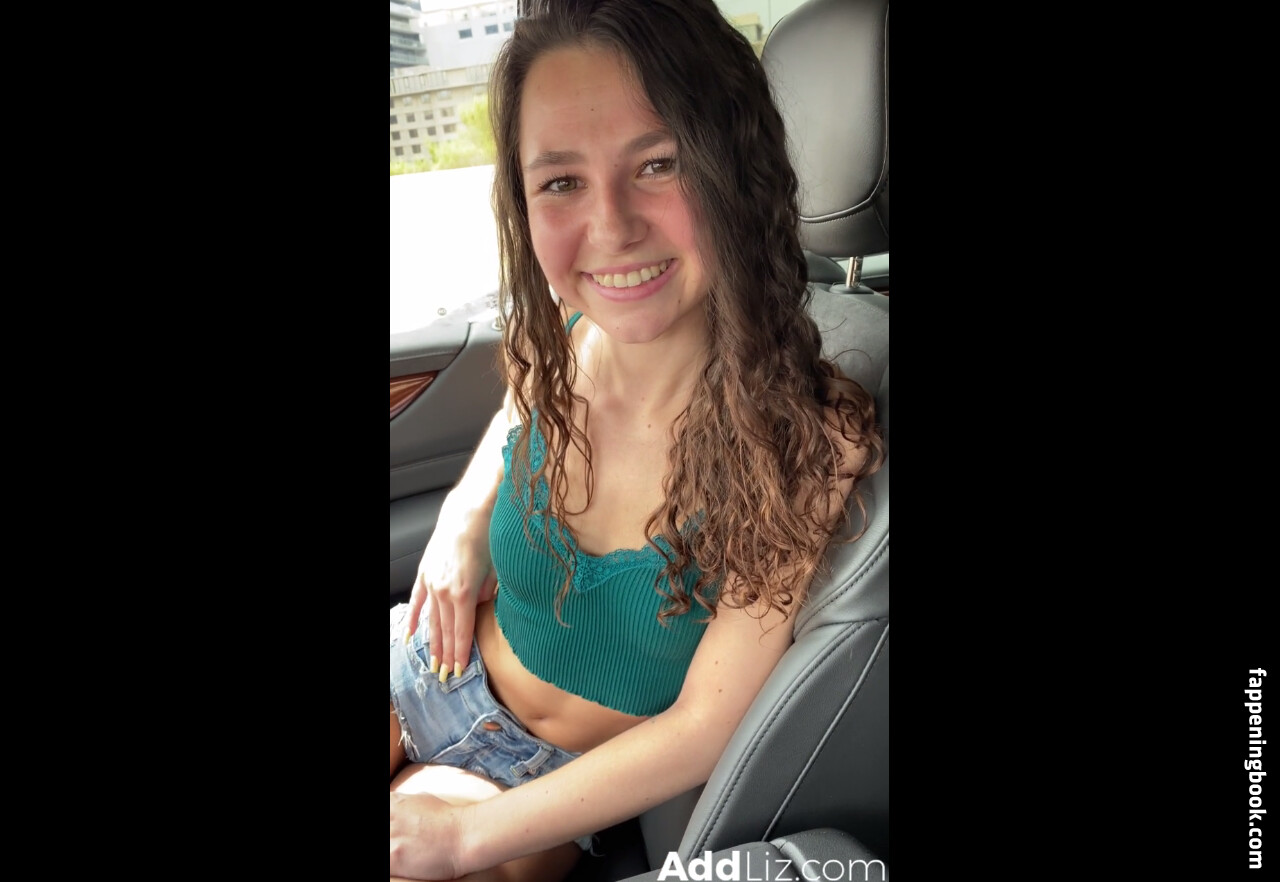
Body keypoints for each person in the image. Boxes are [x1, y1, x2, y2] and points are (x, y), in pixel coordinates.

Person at [389, 1, 885, 879]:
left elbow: (704, 724)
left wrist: (459, 838)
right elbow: (516, 418)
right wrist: (462, 523)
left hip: (532, 782)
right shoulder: (569, 331)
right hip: (425, 657)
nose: (612, 227)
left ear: (734, 169)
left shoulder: (805, 436)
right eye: (562, 181)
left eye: (659, 164)